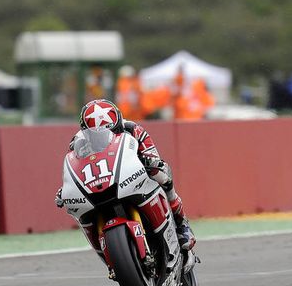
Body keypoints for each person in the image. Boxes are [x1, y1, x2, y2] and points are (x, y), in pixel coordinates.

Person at [55, 99, 196, 251]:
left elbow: (150, 153)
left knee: (161, 174)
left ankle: (181, 223)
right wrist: (67, 188)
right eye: (96, 134)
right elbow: (76, 166)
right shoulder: (78, 143)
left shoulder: (133, 129)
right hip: (105, 180)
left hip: (132, 173)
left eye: (110, 131)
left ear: (118, 124)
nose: (103, 136)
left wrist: (151, 162)